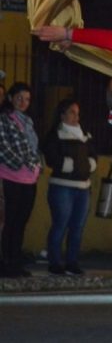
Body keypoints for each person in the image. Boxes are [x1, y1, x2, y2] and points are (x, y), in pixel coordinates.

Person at [43, 99, 97, 275]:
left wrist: (90, 165)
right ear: (62, 115)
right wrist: (70, 166)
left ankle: (72, 262)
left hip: (83, 187)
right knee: (60, 224)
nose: (76, 116)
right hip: (62, 187)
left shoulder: (85, 134)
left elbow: (93, 154)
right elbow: (52, 157)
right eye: (72, 112)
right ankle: (55, 261)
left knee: (78, 226)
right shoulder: (56, 134)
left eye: (77, 113)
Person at [0, 82, 42, 278]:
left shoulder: (28, 121)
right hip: (11, 177)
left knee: (20, 223)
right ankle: (6, 262)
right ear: (11, 98)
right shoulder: (5, 119)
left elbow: (34, 149)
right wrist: (22, 163)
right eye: (19, 98)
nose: (23, 102)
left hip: (29, 180)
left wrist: (36, 165)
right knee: (9, 222)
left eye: (27, 99)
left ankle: (15, 261)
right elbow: (4, 148)